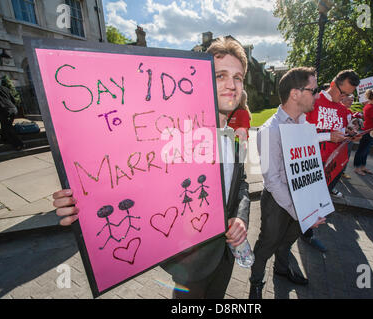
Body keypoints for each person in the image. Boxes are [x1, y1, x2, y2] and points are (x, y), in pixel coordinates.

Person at [53, 37, 251, 299]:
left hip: (225, 257)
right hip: (191, 264)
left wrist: (241, 217)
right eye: (220, 75)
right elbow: (132, 177)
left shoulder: (235, 138)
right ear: (202, 80)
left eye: (238, 77)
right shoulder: (174, 137)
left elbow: (242, 185)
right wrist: (81, 204)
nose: (231, 85)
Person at [249, 67, 327, 299]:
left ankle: (282, 269)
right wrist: (301, 212)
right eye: (313, 90)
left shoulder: (304, 125)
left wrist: (312, 205)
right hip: (277, 200)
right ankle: (256, 282)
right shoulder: (270, 130)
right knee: (267, 243)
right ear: (295, 93)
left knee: (288, 239)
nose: (317, 95)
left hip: (301, 195)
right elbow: (272, 181)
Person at [306, 70, 360, 197]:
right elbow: (298, 136)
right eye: (343, 93)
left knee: (321, 198)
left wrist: (349, 134)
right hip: (311, 163)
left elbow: (340, 133)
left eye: (349, 95)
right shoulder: (312, 102)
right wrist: (328, 136)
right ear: (332, 84)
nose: (344, 98)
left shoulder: (342, 109)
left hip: (333, 163)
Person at [353, 89, 373, 176]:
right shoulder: (371, 107)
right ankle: (357, 168)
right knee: (362, 150)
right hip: (368, 132)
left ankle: (363, 166)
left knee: (366, 150)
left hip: (372, 131)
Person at [0, 75, 25, 150]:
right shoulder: (4, 88)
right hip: (13, 108)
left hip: (2, 110)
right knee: (6, 125)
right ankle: (4, 139)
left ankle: (19, 144)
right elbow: (13, 99)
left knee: (8, 127)